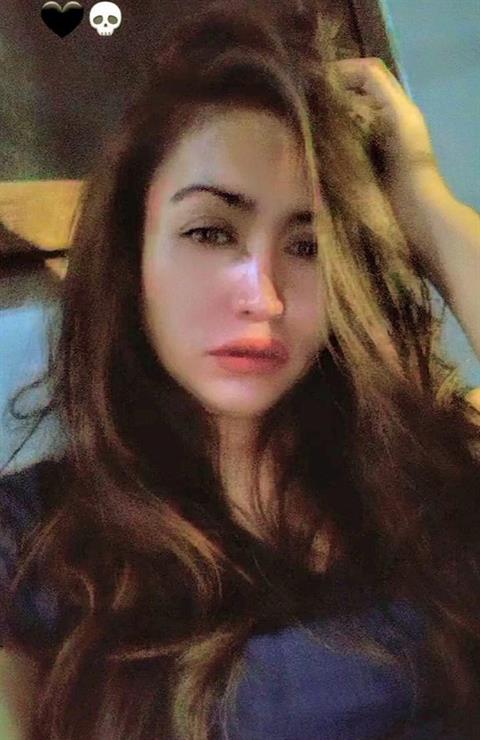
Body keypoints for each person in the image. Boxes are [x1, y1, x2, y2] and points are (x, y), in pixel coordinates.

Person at [1, 1, 480, 738]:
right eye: (210, 232)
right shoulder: (30, 544)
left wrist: (423, 197)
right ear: (131, 259)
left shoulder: (435, 466)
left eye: (307, 245)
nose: (264, 296)